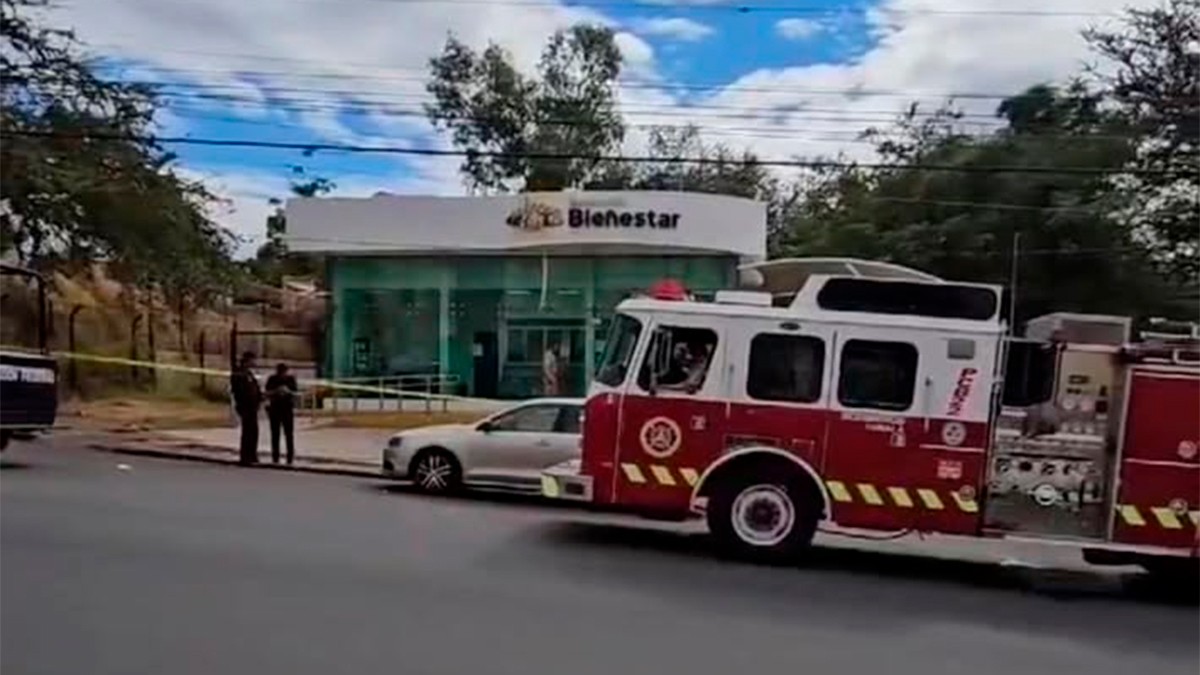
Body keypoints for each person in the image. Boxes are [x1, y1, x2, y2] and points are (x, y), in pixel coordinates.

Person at [230, 351, 262, 466]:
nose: (254, 362)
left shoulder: (249, 374)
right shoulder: (239, 374)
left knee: (254, 431)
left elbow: (255, 388)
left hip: (253, 406)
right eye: (252, 360)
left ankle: (252, 454)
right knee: (247, 431)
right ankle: (245, 456)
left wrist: (259, 397)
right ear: (247, 360)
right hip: (245, 406)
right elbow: (240, 391)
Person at [265, 362, 298, 465]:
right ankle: (275, 456)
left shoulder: (290, 380)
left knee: (289, 434)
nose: (282, 374)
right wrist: (276, 391)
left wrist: (288, 391)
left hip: (287, 409)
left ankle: (290, 456)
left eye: (283, 372)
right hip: (275, 409)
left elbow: (295, 393)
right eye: (280, 372)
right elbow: (267, 392)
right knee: (275, 434)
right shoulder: (272, 379)